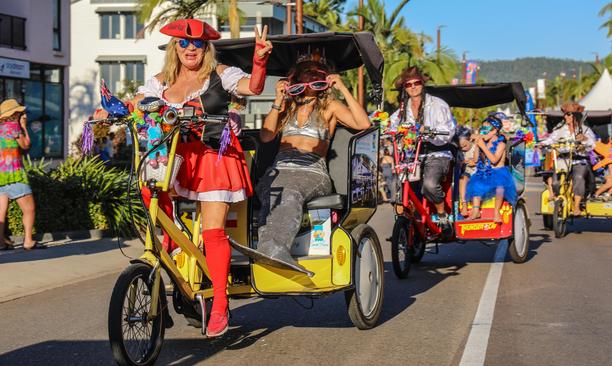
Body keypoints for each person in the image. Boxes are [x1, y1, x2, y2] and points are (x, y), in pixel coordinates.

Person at [93, 19, 273, 338]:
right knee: (152, 203)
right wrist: (110, 110)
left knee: (215, 231)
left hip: (215, 157)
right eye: (184, 43)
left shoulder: (220, 75)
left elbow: (253, 88)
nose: (191, 48)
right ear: (175, 47)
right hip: (175, 159)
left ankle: (220, 303)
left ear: (207, 48)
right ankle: (168, 265)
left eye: (198, 43)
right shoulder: (159, 82)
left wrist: (260, 60)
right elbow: (136, 105)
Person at [255, 56, 371, 272]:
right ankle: (266, 247)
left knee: (289, 191)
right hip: (280, 169)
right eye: (308, 70)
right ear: (298, 76)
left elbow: (364, 124)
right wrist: (278, 99)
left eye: (319, 72)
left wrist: (344, 89)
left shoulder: (330, 106)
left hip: (312, 172)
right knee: (269, 188)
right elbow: (266, 136)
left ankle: (274, 247)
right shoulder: (287, 105)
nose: (314, 74)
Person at [389, 66, 456, 225]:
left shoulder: (437, 104)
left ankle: (442, 215)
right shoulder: (403, 109)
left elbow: (449, 130)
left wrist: (430, 131)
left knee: (429, 185)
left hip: (437, 154)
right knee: (396, 186)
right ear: (405, 88)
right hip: (413, 156)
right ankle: (405, 222)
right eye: (408, 84)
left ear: (422, 84)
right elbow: (391, 124)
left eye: (416, 82)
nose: (413, 87)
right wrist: (380, 125)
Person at [539, 102, 596, 216]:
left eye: (568, 114)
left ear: (576, 116)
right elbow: (551, 140)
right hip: (563, 160)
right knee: (555, 182)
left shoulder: (585, 130)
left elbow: (592, 144)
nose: (566, 116)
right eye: (565, 114)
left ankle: (576, 207)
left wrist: (584, 139)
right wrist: (541, 144)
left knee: (578, 177)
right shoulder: (560, 130)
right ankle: (557, 200)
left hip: (579, 160)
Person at [0, 100, 41, 250]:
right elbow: (26, 145)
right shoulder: (13, 126)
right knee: (29, 209)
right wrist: (24, 126)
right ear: (14, 114)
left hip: (0, 175)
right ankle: (28, 241)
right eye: (20, 112)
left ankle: (1, 243)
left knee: (0, 214)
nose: (22, 115)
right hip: (14, 174)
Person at [466, 116, 516, 222]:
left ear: (494, 131)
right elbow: (475, 160)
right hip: (485, 173)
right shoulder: (483, 143)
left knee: (500, 187)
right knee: (475, 183)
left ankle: (496, 211)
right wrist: (477, 145)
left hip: (498, 173)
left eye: (485, 130)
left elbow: (494, 160)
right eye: (481, 129)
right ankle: (476, 211)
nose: (482, 132)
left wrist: (483, 146)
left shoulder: (501, 144)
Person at [457, 126, 476, 217]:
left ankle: (475, 207)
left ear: (470, 140)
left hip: (477, 171)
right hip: (467, 172)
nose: (463, 148)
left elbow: (483, 159)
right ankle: (464, 204)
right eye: (461, 147)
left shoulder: (476, 147)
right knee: (462, 179)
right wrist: (461, 163)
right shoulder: (460, 151)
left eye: (465, 146)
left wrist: (475, 162)